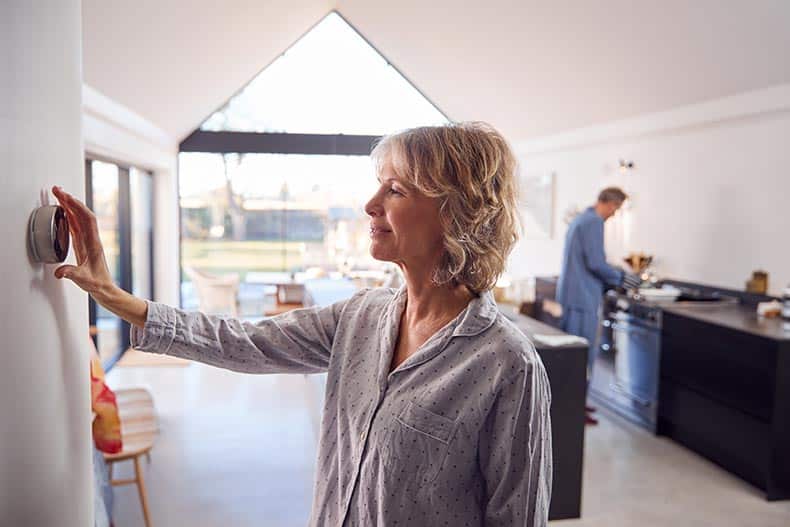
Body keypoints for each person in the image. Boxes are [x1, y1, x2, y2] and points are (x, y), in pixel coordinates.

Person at [52, 122, 552, 526]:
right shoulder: (362, 316)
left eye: (395, 190)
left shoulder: (506, 365)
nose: (371, 204)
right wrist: (118, 299)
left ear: (456, 214)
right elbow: (243, 341)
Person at [556, 187, 640, 425]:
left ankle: (575, 405)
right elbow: (595, 263)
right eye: (616, 208)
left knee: (574, 354)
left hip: (572, 296)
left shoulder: (580, 219)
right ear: (611, 204)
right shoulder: (594, 222)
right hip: (582, 298)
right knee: (582, 356)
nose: (615, 214)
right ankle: (573, 410)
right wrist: (623, 278)